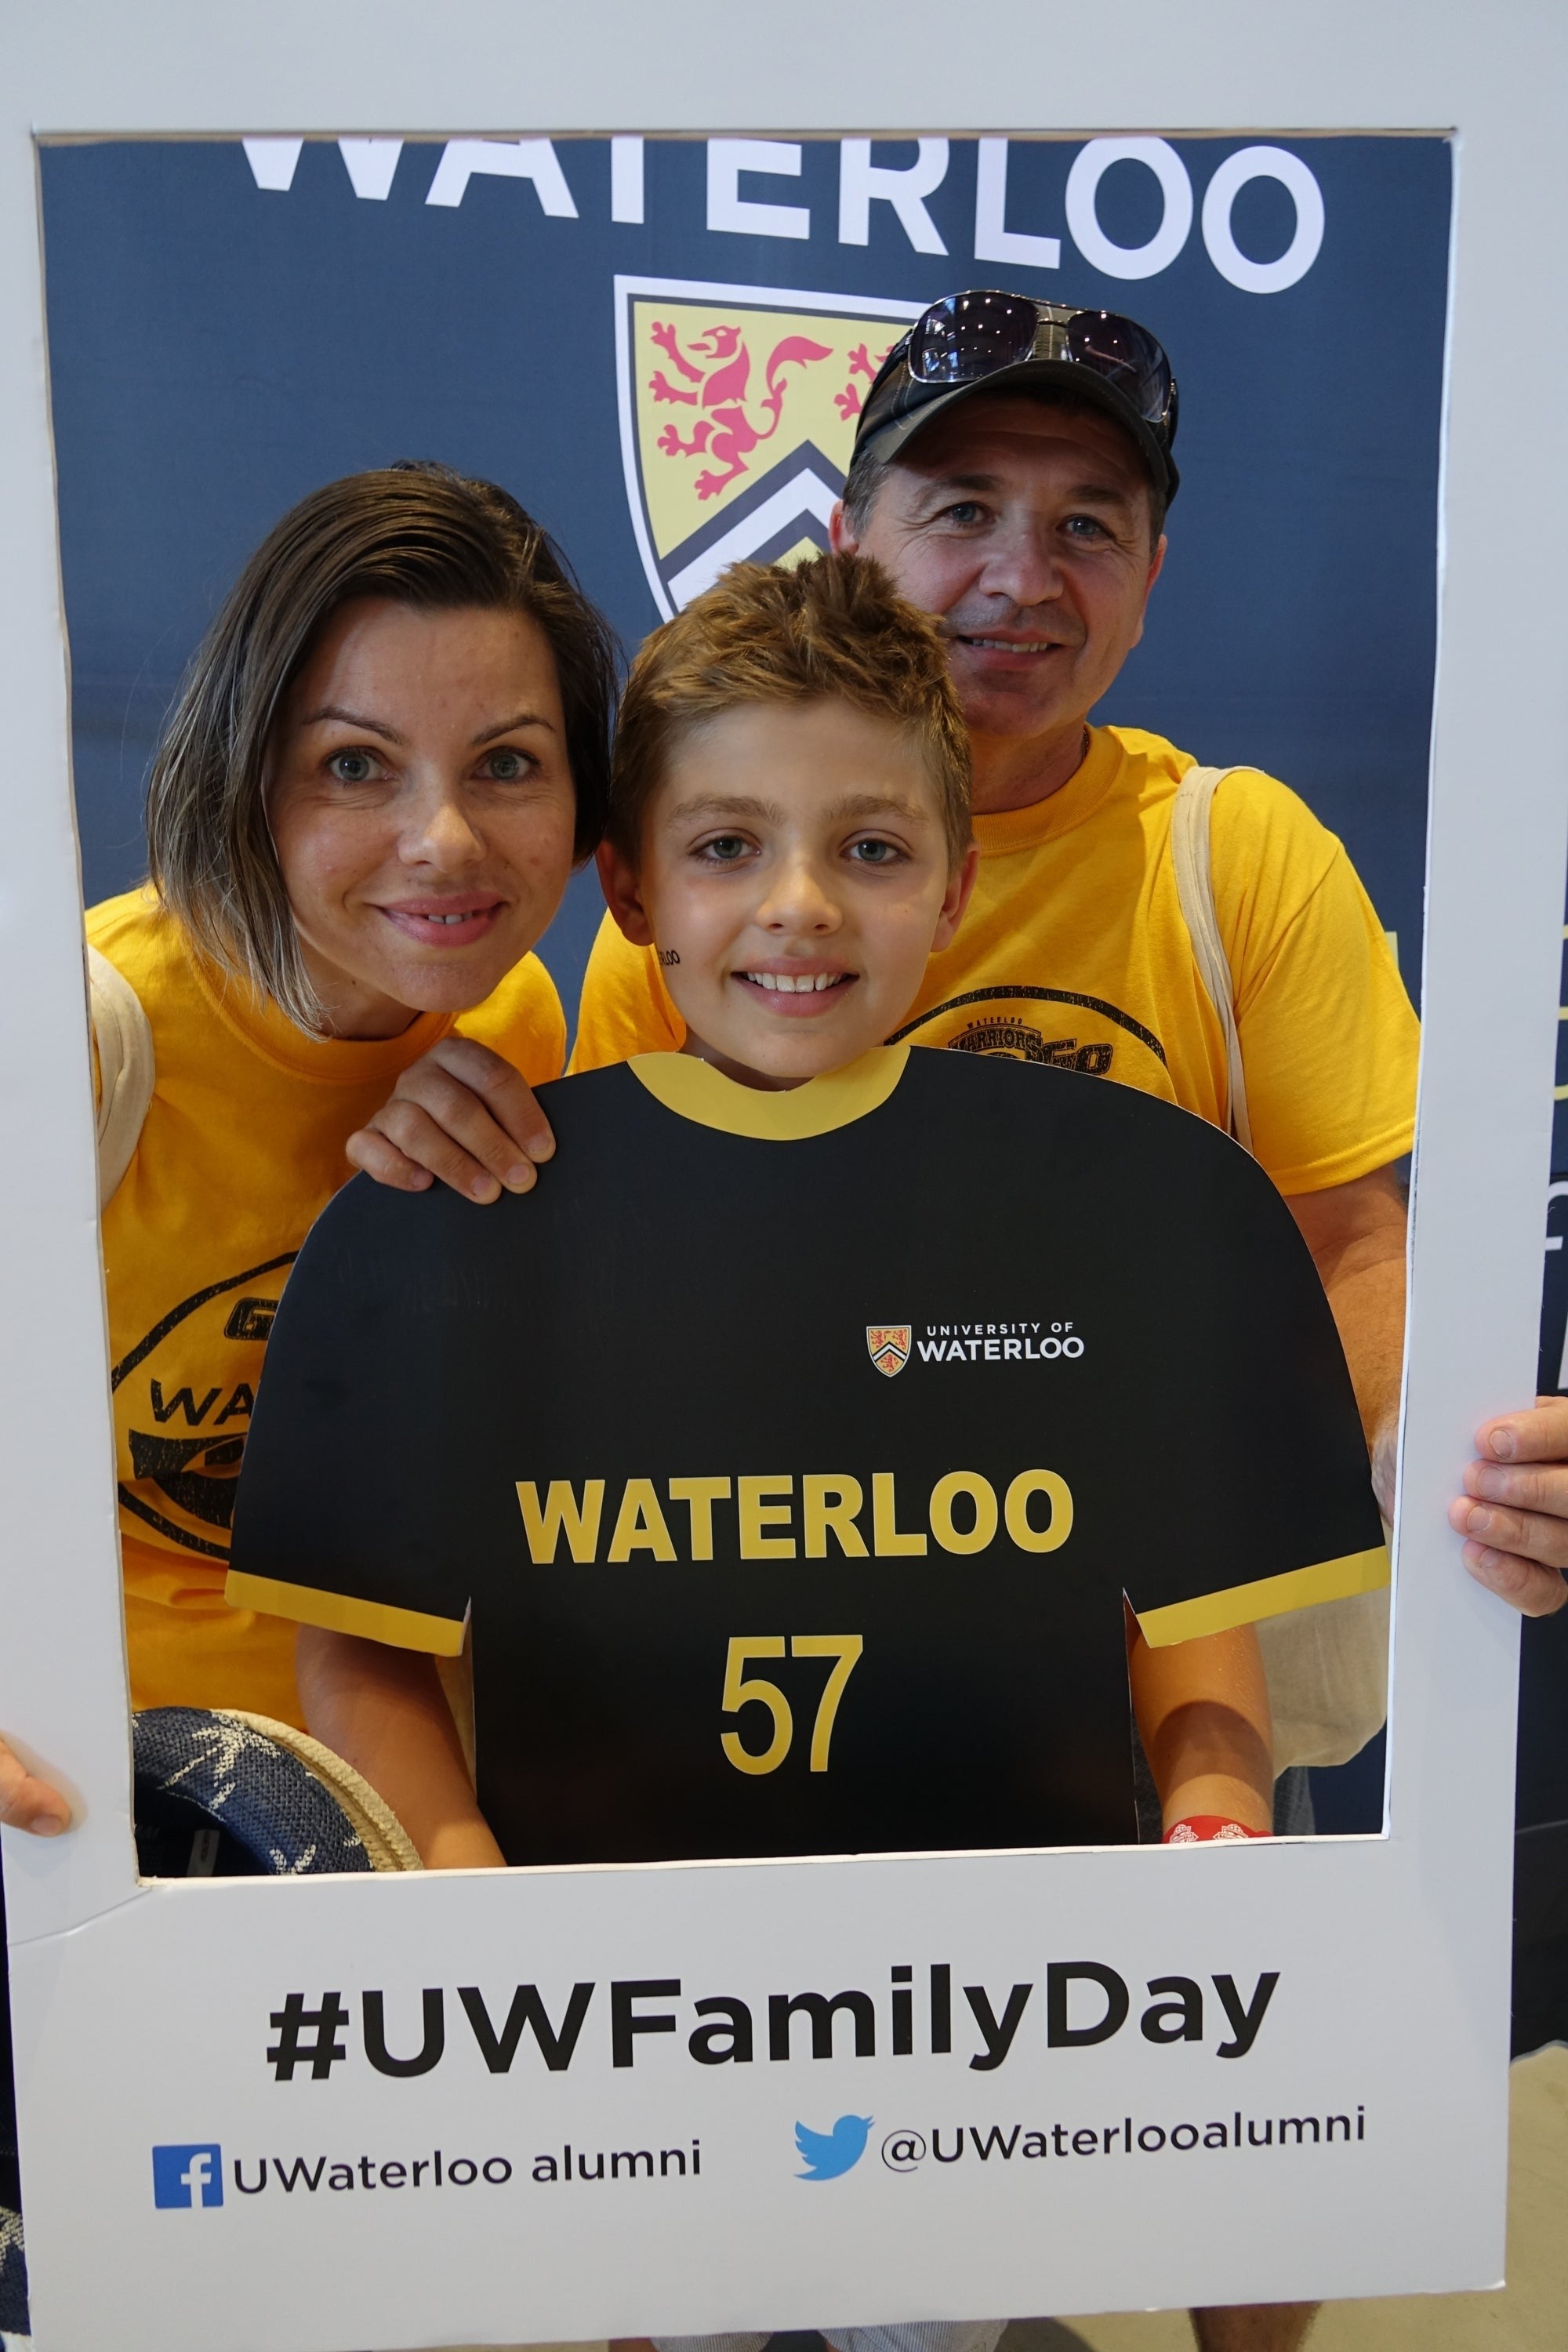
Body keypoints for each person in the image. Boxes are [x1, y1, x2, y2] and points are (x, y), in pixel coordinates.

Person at [3, 460, 616, 1794]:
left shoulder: (514, 1022)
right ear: (248, 777)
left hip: (384, 1819)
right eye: (356, 766)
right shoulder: (86, 1034)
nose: (444, 840)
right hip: (98, 1828)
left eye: (508, 764)